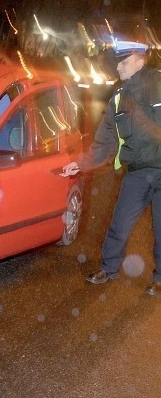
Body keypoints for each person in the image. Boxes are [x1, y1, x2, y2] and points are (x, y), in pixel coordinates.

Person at [61, 40, 161, 295]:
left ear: (140, 60)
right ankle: (109, 267)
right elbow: (105, 140)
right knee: (120, 222)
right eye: (117, 62)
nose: (119, 67)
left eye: (124, 62)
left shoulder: (158, 84)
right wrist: (81, 163)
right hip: (137, 173)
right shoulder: (118, 97)